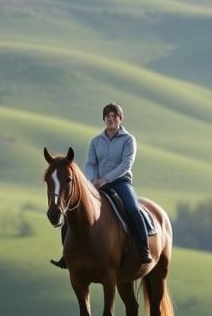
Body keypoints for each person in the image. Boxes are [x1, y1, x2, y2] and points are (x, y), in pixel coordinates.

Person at [51, 103, 152, 269]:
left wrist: (106, 178)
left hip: (120, 182)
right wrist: (91, 181)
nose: (111, 119)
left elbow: (126, 164)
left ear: (120, 119)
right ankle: (66, 254)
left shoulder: (128, 140)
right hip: (96, 184)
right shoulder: (96, 141)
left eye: (114, 116)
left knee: (133, 209)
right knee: (71, 212)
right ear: (104, 119)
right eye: (107, 117)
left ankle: (144, 248)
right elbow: (90, 163)